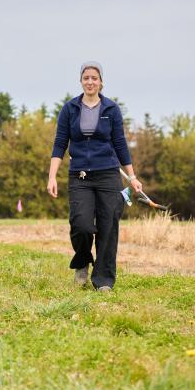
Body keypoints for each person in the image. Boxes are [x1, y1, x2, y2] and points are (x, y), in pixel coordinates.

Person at [48, 61, 142, 292]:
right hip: (79, 176)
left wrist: (132, 177)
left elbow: (120, 144)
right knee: (80, 224)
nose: (90, 82)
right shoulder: (70, 109)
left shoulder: (111, 109)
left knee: (108, 226)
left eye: (94, 78)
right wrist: (52, 176)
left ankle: (104, 280)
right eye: (86, 78)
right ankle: (82, 261)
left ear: (101, 82)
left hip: (108, 175)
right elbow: (60, 144)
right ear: (81, 81)